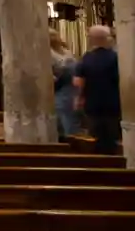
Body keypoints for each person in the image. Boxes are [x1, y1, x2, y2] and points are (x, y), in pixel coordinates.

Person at [74, 25, 121, 155]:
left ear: (92, 39)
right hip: (113, 102)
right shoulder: (116, 57)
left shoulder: (87, 58)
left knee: (95, 137)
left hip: (93, 103)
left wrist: (78, 98)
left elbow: (78, 82)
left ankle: (99, 163)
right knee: (112, 137)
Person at [50, 30, 79, 139]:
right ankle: (68, 138)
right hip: (60, 84)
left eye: (54, 35)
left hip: (72, 85)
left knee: (72, 113)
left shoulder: (66, 51)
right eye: (51, 35)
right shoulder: (48, 52)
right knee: (63, 113)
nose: (54, 37)